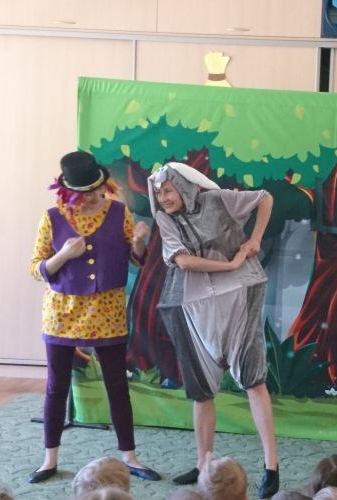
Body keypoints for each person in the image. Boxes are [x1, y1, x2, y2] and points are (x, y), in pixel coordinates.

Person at [147, 162, 279, 498]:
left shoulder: (218, 200)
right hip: (195, 306)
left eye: (168, 190)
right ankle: (203, 464)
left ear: (183, 186)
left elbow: (265, 197)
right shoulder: (166, 219)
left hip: (239, 297)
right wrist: (229, 263)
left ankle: (271, 467)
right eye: (159, 193)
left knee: (253, 380)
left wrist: (255, 238)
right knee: (201, 389)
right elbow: (183, 261)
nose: (163, 198)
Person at [28, 151, 160, 483]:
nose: (90, 197)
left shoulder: (118, 212)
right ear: (67, 190)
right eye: (82, 193)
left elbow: (136, 259)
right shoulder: (52, 217)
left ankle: (130, 456)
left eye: (94, 190)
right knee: (56, 386)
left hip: (107, 311)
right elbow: (36, 268)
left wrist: (139, 242)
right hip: (62, 313)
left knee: (117, 384)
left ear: (103, 185)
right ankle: (49, 459)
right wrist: (62, 255)